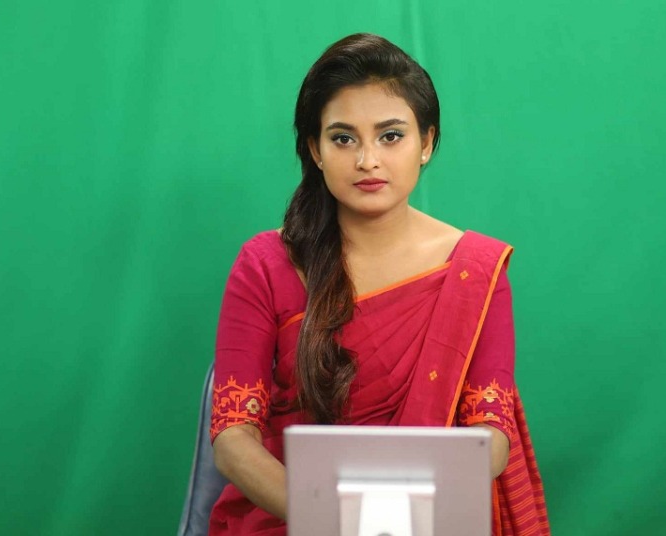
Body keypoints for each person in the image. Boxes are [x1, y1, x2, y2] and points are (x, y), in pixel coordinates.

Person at [208, 33, 549, 535]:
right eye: (343, 138)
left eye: (390, 136)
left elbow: (490, 437)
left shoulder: (475, 270)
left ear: (426, 143)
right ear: (315, 150)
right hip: (292, 517)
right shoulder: (265, 264)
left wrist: (397, 517)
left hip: (425, 520)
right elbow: (232, 438)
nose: (367, 159)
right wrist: (335, 518)